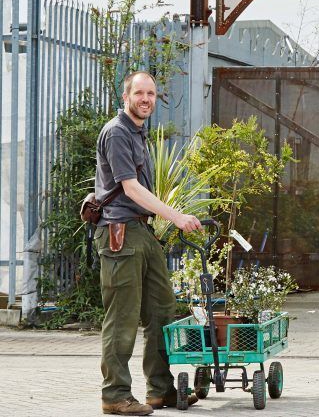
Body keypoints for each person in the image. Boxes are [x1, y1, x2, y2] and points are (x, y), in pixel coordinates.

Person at [96, 72, 202, 416]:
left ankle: (160, 389)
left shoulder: (138, 133)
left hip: (141, 230)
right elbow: (131, 189)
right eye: (139, 93)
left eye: (151, 94)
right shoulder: (116, 132)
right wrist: (176, 216)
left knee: (162, 309)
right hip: (119, 234)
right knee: (123, 317)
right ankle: (115, 395)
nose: (146, 99)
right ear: (126, 97)